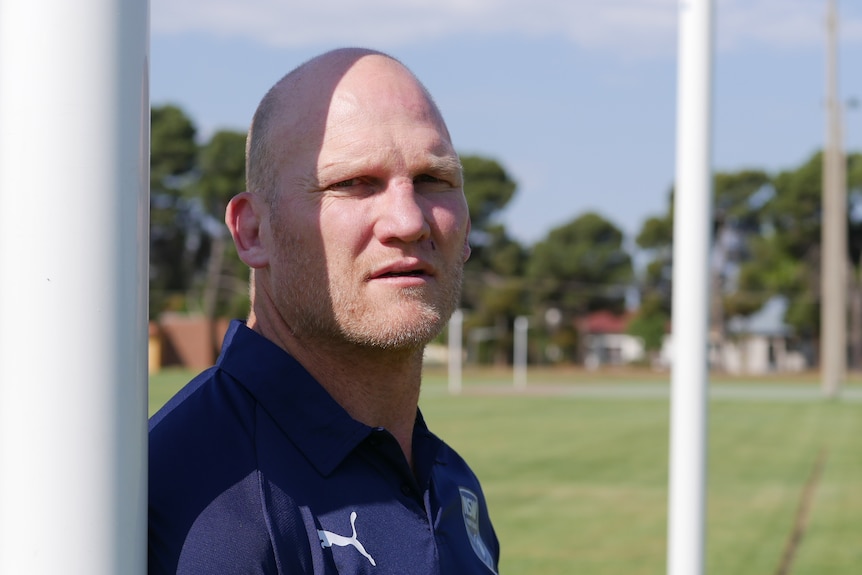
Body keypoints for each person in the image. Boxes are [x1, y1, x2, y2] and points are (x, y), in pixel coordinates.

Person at [148, 48, 500, 574]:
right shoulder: (194, 500)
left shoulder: (452, 482)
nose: (409, 220)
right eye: (354, 183)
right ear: (252, 232)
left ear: (467, 229)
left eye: (434, 181)